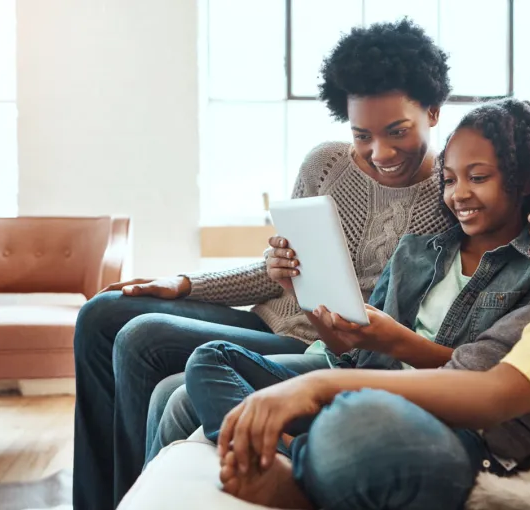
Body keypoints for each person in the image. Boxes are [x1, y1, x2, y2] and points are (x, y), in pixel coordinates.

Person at [73, 19, 454, 509]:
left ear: (434, 112)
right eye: (362, 134)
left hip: (319, 343)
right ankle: (100, 499)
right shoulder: (327, 164)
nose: (379, 151)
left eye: (397, 131)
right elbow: (275, 271)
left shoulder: (454, 193)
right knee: (102, 313)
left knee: (141, 338)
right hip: (267, 317)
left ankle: (133, 493)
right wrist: (185, 283)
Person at [185, 140, 530, 510]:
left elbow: (497, 397)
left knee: (359, 420)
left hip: (465, 448)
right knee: (212, 359)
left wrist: (319, 385)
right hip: (431, 422)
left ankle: (297, 477)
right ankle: (297, 463)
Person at [149, 97, 530, 461]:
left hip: (414, 405)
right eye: (448, 179)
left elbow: (487, 381)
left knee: (183, 396)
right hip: (356, 380)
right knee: (203, 364)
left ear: (524, 179)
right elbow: (344, 351)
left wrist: (394, 341)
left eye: (477, 178)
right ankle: (284, 459)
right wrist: (303, 293)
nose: (458, 194)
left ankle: (288, 464)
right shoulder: (416, 252)